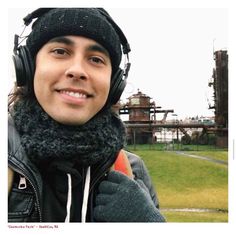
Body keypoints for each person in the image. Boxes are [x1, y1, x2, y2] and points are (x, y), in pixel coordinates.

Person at [8, 8, 165, 222]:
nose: (77, 70)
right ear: (28, 66)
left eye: (96, 59)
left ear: (115, 83)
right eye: (60, 51)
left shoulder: (132, 171)